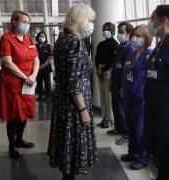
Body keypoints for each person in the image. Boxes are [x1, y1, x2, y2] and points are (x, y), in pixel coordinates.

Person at [47, 4, 98, 180]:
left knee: (65, 142)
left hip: (62, 100)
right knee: (73, 141)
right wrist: (83, 109)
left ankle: (67, 176)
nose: (91, 24)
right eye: (90, 20)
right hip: (73, 105)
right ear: (80, 20)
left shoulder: (62, 39)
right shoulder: (75, 42)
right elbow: (74, 83)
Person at [0, 10, 39, 159]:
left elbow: (36, 60)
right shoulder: (6, 39)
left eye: (28, 22)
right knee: (14, 114)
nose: (26, 25)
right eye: (23, 22)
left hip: (28, 82)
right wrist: (25, 77)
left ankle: (19, 139)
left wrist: (33, 75)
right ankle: (12, 145)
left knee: (25, 111)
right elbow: (8, 63)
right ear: (14, 22)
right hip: (12, 83)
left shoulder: (29, 40)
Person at [121, 25, 152, 170]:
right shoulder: (131, 54)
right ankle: (132, 153)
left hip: (141, 98)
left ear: (146, 39)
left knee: (140, 129)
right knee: (131, 126)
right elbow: (126, 73)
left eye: (139, 36)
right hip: (128, 96)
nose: (135, 38)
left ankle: (142, 157)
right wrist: (122, 87)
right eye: (134, 35)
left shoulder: (149, 55)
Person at [146, 5, 169, 180]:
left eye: (153, 19)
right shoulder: (159, 47)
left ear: (163, 21)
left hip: (166, 115)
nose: (150, 24)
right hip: (156, 113)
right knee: (160, 156)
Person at [109, 22, 134, 145]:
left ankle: (125, 134)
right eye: (118, 32)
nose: (119, 34)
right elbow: (115, 65)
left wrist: (124, 86)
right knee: (116, 107)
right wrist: (110, 82)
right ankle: (118, 128)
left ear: (129, 33)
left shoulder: (130, 48)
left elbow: (129, 69)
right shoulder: (120, 46)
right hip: (115, 81)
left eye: (121, 32)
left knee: (123, 109)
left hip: (122, 83)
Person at [95, 22, 119, 128]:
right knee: (102, 95)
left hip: (108, 70)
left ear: (112, 31)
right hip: (100, 70)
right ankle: (104, 117)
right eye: (104, 29)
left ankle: (110, 119)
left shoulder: (115, 44)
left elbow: (113, 60)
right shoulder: (101, 44)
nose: (105, 31)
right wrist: (97, 69)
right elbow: (96, 58)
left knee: (108, 96)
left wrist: (103, 70)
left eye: (108, 30)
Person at [36, 31, 53, 100]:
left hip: (46, 68)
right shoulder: (34, 46)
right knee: (39, 83)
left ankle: (48, 96)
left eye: (43, 36)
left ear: (45, 38)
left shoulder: (49, 46)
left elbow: (51, 57)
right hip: (37, 68)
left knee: (47, 83)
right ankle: (40, 95)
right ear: (38, 37)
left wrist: (43, 65)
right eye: (40, 36)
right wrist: (38, 66)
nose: (41, 38)